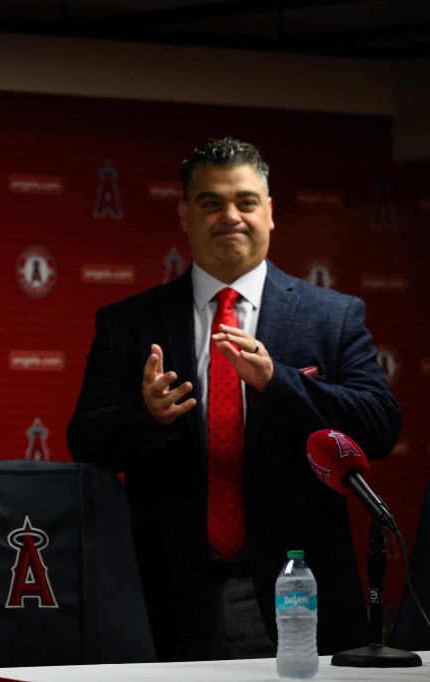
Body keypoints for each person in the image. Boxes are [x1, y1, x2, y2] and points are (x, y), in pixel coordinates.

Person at [66, 138, 400, 662]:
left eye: (246, 201)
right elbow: (85, 441)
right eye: (210, 202)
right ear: (184, 213)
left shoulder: (333, 317)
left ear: (270, 212)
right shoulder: (128, 323)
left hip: (300, 592)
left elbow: (380, 427)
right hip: (167, 598)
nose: (230, 216)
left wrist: (278, 382)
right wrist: (146, 415)